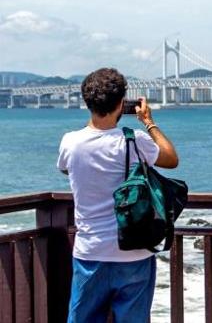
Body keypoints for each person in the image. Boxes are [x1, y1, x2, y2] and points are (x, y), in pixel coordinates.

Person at [57, 68, 179, 323]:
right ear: (122, 104)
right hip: (133, 251)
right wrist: (148, 122)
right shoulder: (134, 140)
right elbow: (171, 158)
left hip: (90, 252)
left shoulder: (70, 142)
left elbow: (66, 168)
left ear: (87, 102)